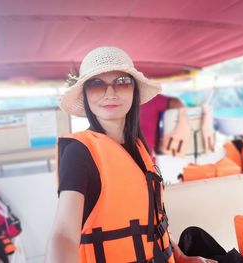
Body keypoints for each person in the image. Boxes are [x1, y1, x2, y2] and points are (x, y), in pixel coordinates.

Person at [45, 47, 216, 263]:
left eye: (122, 81)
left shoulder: (138, 147)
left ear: (134, 90)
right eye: (96, 84)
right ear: (85, 94)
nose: (110, 93)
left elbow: (152, 222)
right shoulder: (79, 152)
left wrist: (182, 257)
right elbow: (63, 235)